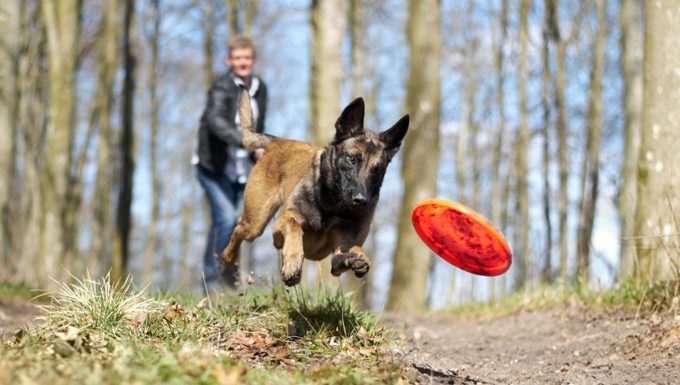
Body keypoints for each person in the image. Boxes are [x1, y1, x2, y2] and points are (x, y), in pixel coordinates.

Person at [194, 36, 267, 289]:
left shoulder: (260, 88)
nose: (242, 63)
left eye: (246, 58)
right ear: (229, 60)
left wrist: (261, 149)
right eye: (237, 58)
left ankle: (229, 277)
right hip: (213, 167)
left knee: (238, 222)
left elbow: (259, 126)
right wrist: (247, 142)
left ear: (253, 60)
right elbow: (216, 123)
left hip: (242, 169)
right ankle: (211, 278)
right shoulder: (221, 87)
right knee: (225, 217)